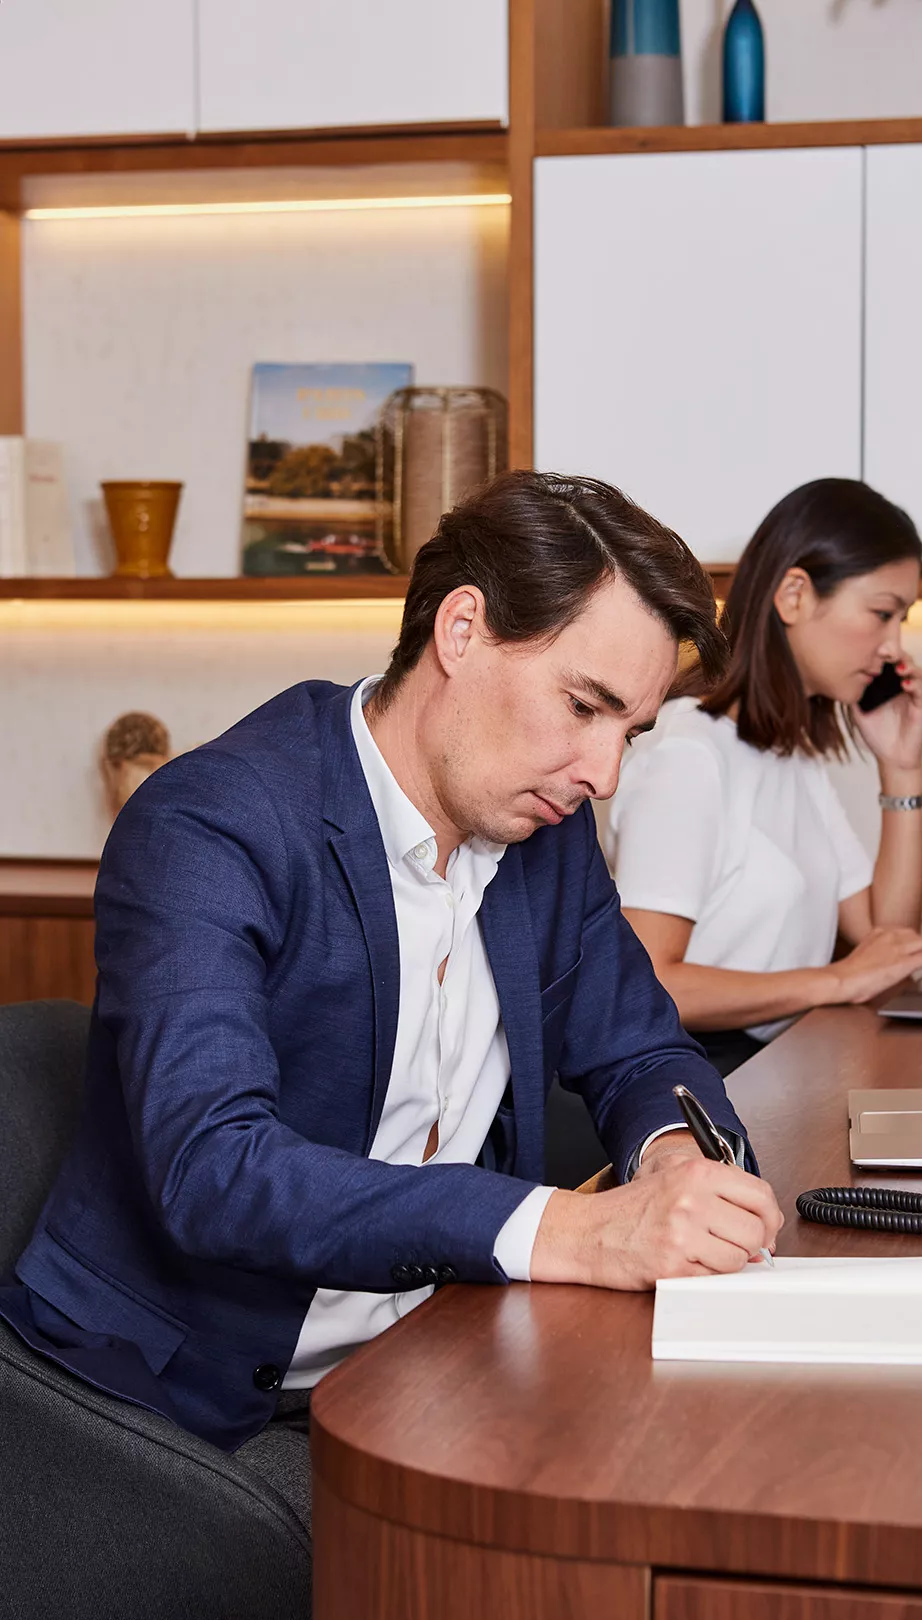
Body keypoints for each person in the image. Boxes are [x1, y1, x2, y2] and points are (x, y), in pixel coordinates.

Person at [0, 471, 782, 1525]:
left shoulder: (544, 835)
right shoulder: (211, 824)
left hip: (429, 1352)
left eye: (630, 732)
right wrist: (574, 1232)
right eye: (584, 706)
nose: (604, 772)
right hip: (174, 1404)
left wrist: (675, 1161)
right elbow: (215, 1169)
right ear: (462, 631)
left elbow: (643, 1051)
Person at [606, 477, 922, 1077]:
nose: (894, 647)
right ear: (794, 595)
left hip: (780, 1065)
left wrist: (901, 767)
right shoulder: (687, 755)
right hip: (702, 1076)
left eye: (902, 619)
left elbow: (888, 945)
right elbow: (652, 982)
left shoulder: (793, 759)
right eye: (881, 614)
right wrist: (837, 979)